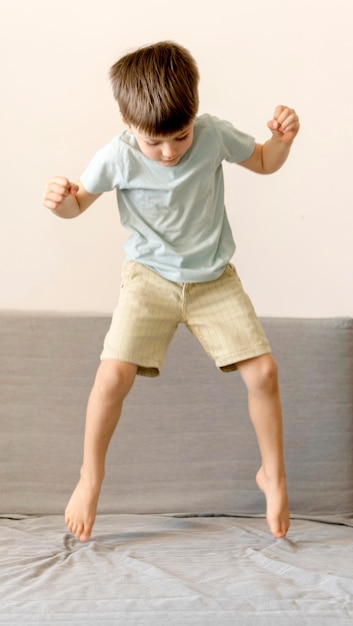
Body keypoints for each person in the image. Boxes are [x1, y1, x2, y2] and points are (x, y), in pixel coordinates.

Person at [43, 41, 300, 543]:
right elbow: (78, 206)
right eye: (153, 142)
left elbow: (266, 162)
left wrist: (283, 139)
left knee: (264, 370)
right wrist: (60, 204)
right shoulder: (116, 156)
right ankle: (89, 477)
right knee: (112, 375)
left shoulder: (212, 135)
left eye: (179, 138)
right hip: (149, 281)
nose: (168, 152)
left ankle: (273, 475)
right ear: (126, 120)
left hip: (212, 280)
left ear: (195, 115)